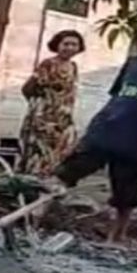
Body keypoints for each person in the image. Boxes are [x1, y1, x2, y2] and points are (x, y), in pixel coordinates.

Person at [49, 5, 137, 243]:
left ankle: (116, 237)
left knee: (126, 195)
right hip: (104, 132)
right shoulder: (134, 63)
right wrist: (91, 128)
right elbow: (115, 98)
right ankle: (37, 214)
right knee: (64, 173)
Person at [16, 30, 84, 176]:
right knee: (39, 152)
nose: (70, 48)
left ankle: (47, 182)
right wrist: (41, 108)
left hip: (63, 118)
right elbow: (27, 88)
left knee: (61, 150)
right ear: (57, 45)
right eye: (66, 44)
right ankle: (31, 183)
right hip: (44, 118)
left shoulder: (73, 66)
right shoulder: (48, 64)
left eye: (74, 44)